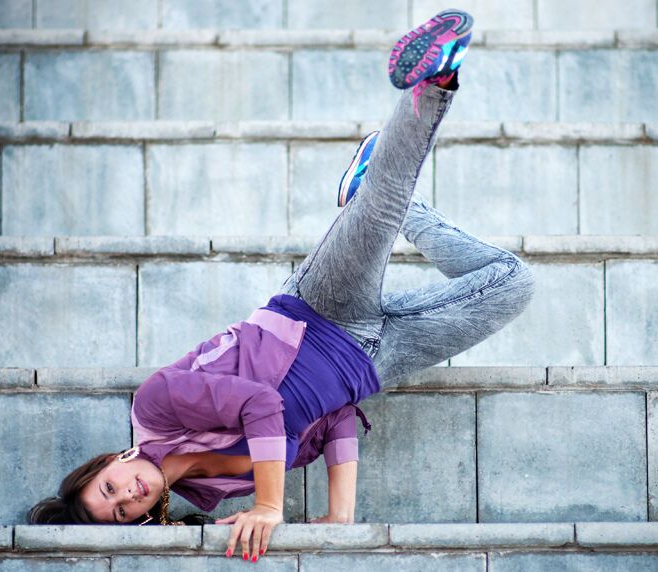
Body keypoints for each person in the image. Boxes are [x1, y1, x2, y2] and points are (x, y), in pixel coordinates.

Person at [26, 7, 535, 563]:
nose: (127, 495)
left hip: (317, 313)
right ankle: (386, 199)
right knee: (513, 283)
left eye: (109, 489)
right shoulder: (209, 492)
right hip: (374, 362)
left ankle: (439, 78)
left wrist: (271, 507)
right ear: (142, 519)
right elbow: (331, 417)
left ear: (108, 463)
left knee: (382, 206)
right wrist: (341, 514)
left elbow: (262, 402)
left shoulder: (158, 405)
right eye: (123, 511)